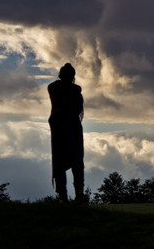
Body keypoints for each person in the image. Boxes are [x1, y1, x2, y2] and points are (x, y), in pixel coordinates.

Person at [48, 63, 87, 203]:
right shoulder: (54, 88)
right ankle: (63, 195)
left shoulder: (75, 90)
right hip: (61, 128)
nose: (69, 79)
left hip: (72, 128)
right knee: (60, 162)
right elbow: (68, 105)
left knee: (77, 161)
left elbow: (75, 108)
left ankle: (78, 193)